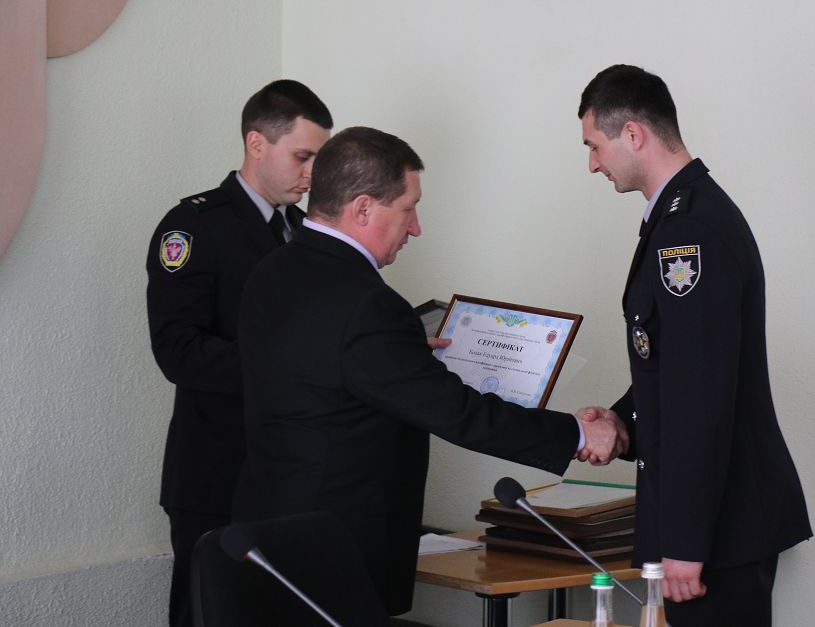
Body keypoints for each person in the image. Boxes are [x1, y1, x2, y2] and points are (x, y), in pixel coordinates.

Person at [231, 126, 623, 616]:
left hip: (267, 534)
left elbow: (323, 369)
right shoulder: (368, 305)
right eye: (409, 208)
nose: (415, 228)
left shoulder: (272, 271)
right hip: (333, 551)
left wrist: (399, 355)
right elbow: (458, 413)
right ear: (363, 208)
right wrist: (577, 433)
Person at [575, 64, 812, 626]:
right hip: (719, 519)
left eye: (594, 146)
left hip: (719, 528)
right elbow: (675, 362)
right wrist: (623, 418)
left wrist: (685, 540)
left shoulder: (689, 232)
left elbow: (699, 394)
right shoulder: (679, 215)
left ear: (633, 134)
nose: (593, 165)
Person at [145, 79, 332, 627]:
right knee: (207, 614)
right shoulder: (195, 226)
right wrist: (290, 368)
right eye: (303, 157)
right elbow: (179, 351)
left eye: (319, 160)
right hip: (217, 471)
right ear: (257, 143)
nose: (313, 175)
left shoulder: (303, 230)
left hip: (290, 469)